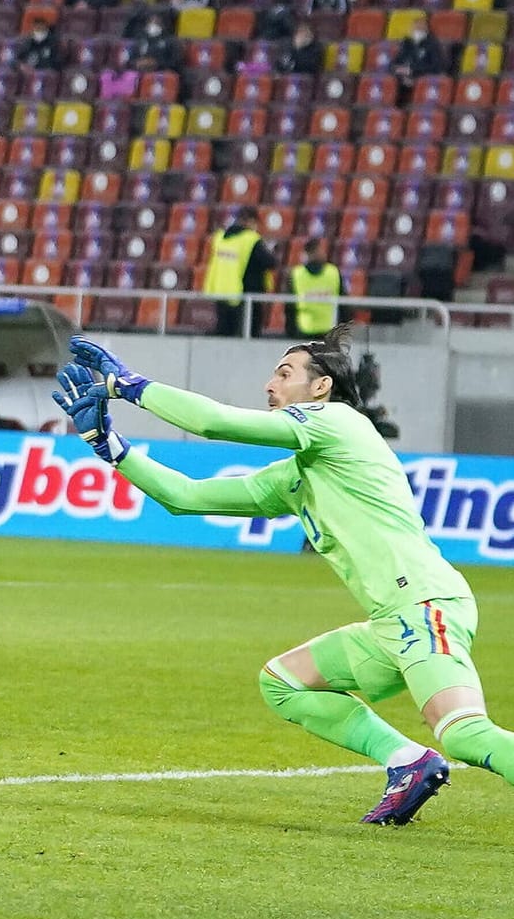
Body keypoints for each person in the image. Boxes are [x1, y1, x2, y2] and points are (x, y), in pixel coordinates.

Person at [53, 327, 514, 825]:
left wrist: (128, 385)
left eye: (284, 373)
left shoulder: (339, 423)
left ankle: (429, 755)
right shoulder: (299, 475)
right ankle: (409, 761)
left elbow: (213, 423)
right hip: (391, 622)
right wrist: (110, 446)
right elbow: (187, 497)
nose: (270, 384)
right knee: (283, 682)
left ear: (320, 388)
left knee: (464, 732)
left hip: (424, 608)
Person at [201, 205, 278, 338]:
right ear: (251, 221)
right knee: (249, 336)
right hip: (246, 295)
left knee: (224, 335)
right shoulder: (251, 239)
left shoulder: (220, 238)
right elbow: (271, 262)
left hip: (223, 293)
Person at [286, 237, 341, 338]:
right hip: (329, 331)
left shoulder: (296, 274)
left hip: (303, 330)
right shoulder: (333, 272)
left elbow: (289, 307)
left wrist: (290, 333)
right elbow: (344, 305)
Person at [392, 17, 447, 101]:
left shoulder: (433, 45)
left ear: (426, 29)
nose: (417, 30)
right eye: (415, 27)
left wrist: (412, 71)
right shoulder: (407, 43)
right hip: (404, 80)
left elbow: (436, 67)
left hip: (422, 78)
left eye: (420, 28)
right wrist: (399, 72)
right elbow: (395, 63)